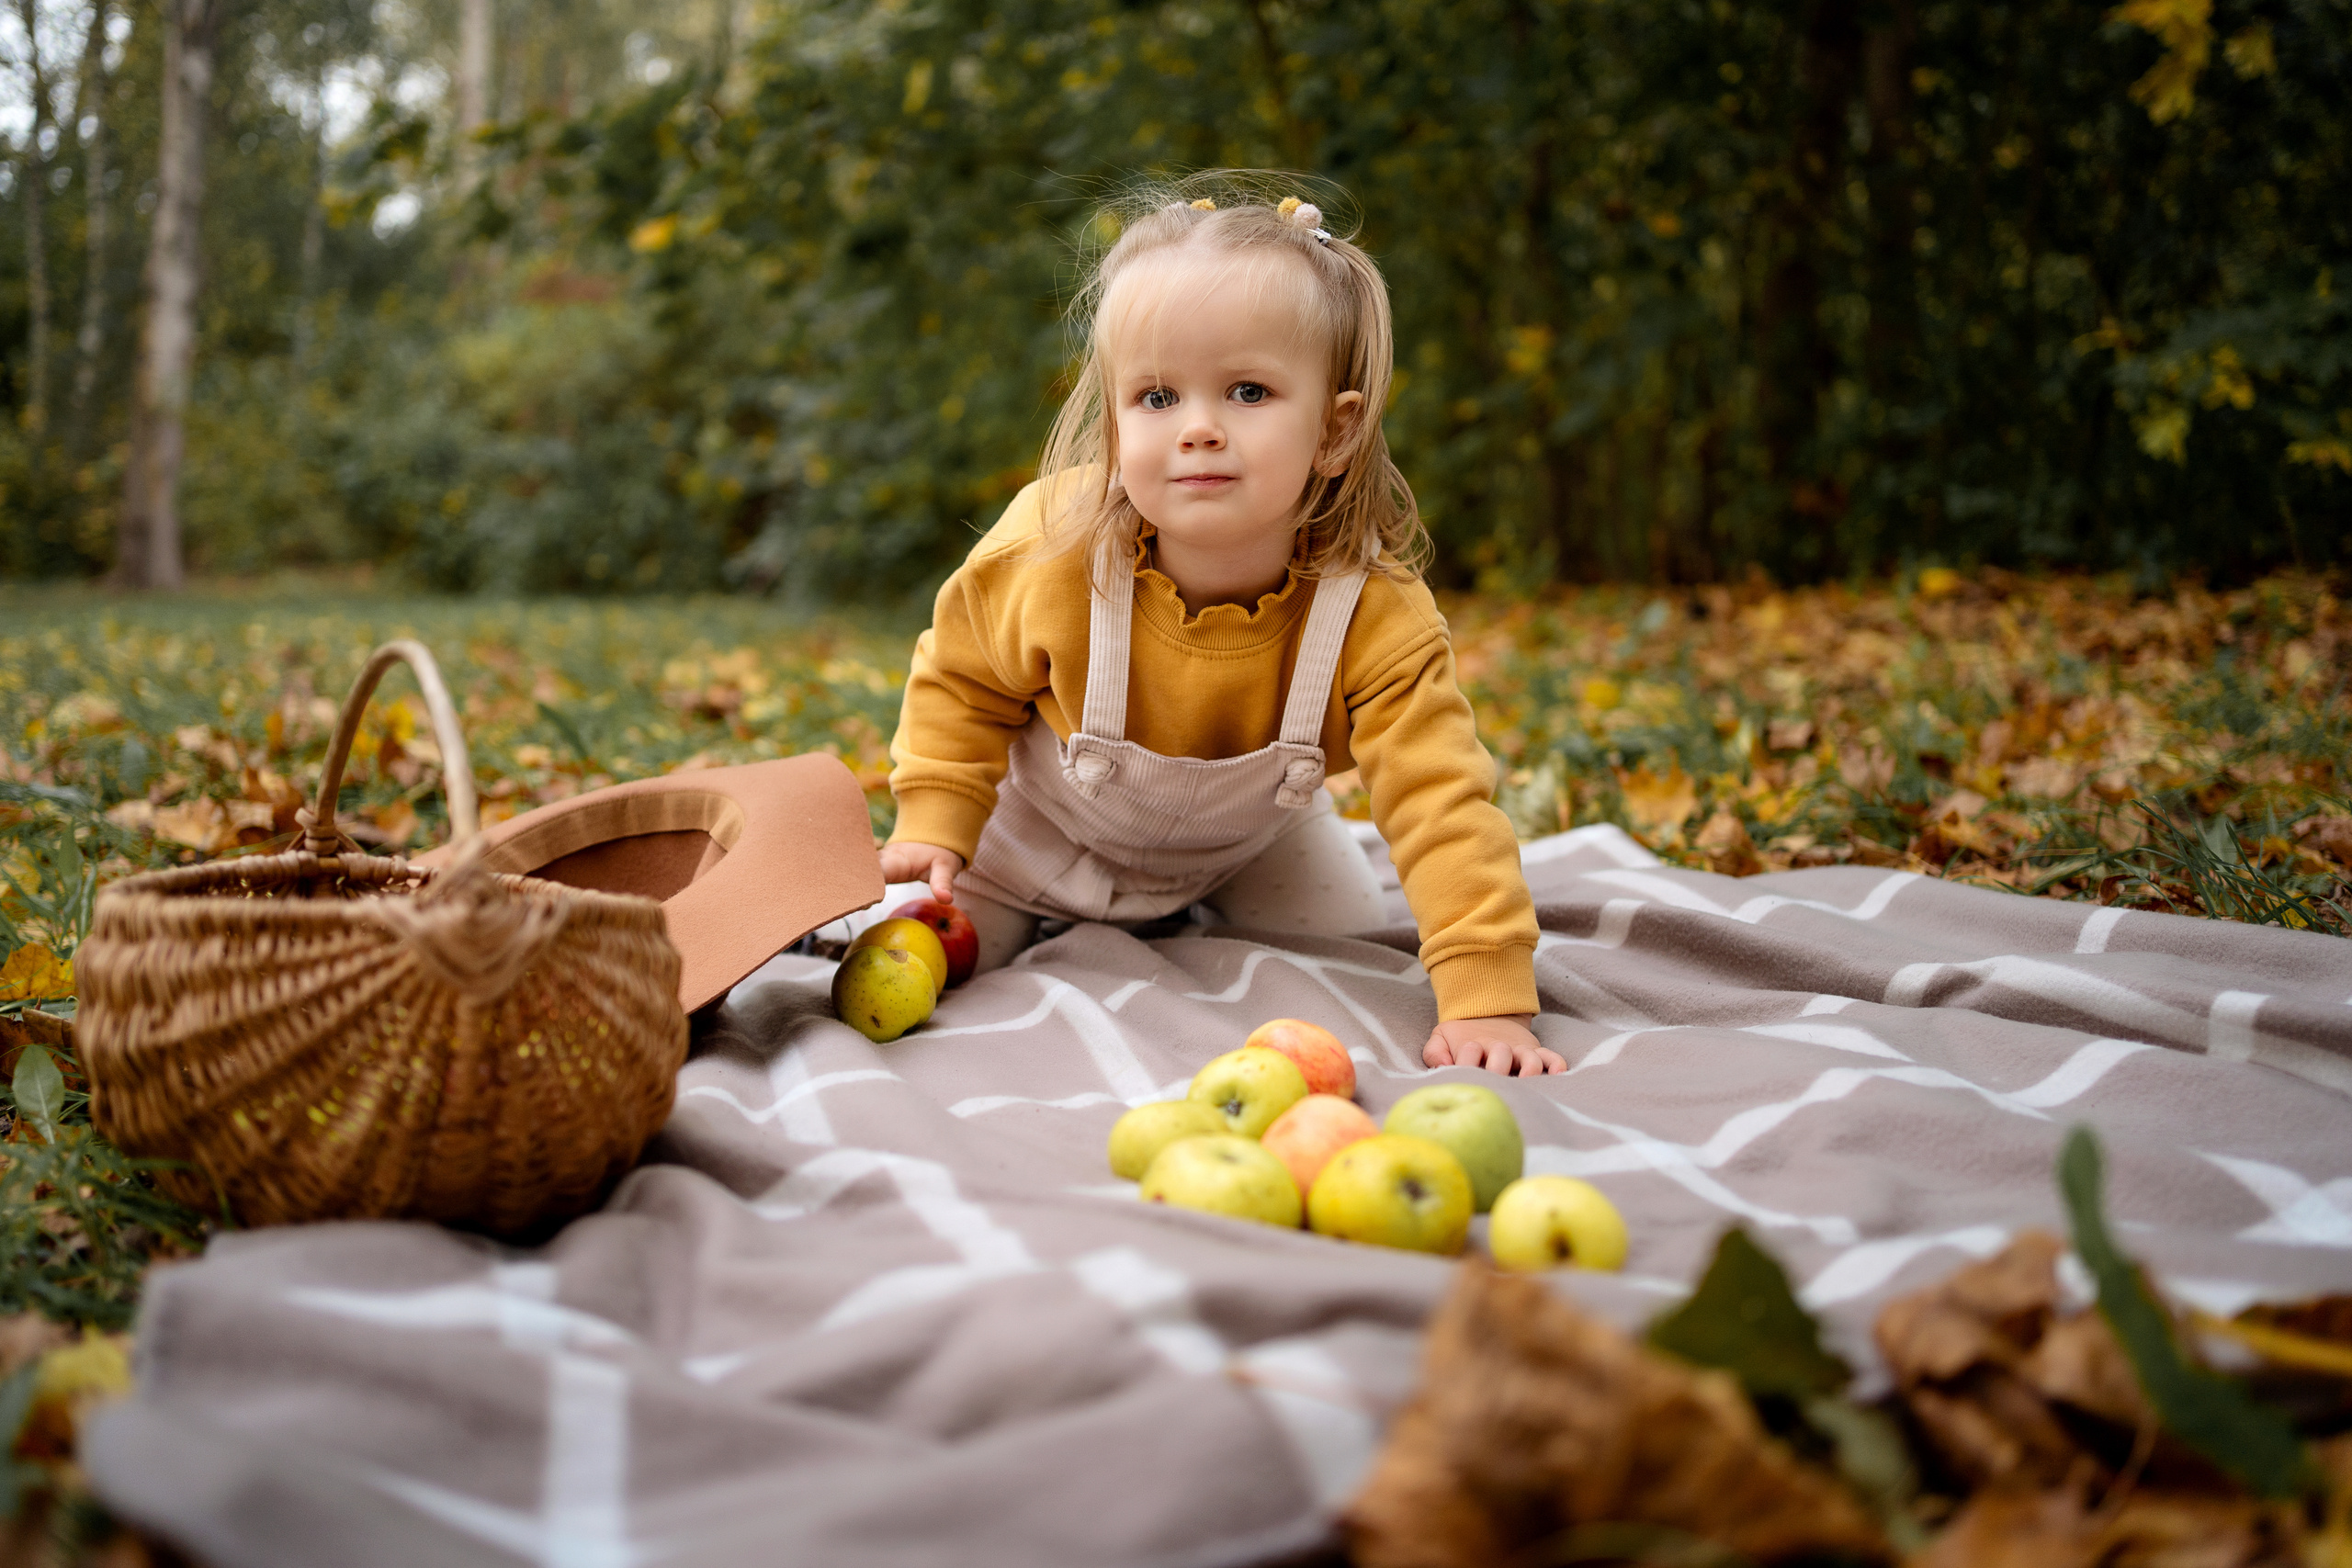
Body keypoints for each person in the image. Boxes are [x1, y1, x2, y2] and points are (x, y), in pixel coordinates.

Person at [879, 178, 1561, 1077]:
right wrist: (934, 816)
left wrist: (1489, 997)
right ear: (1116, 420)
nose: (1197, 429)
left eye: (1246, 391)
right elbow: (961, 678)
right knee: (927, 963)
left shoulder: (1371, 613)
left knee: (1346, 960)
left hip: (1244, 850)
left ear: (1334, 430)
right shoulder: (1051, 553)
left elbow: (1441, 800)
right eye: (1157, 399)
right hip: (1035, 836)